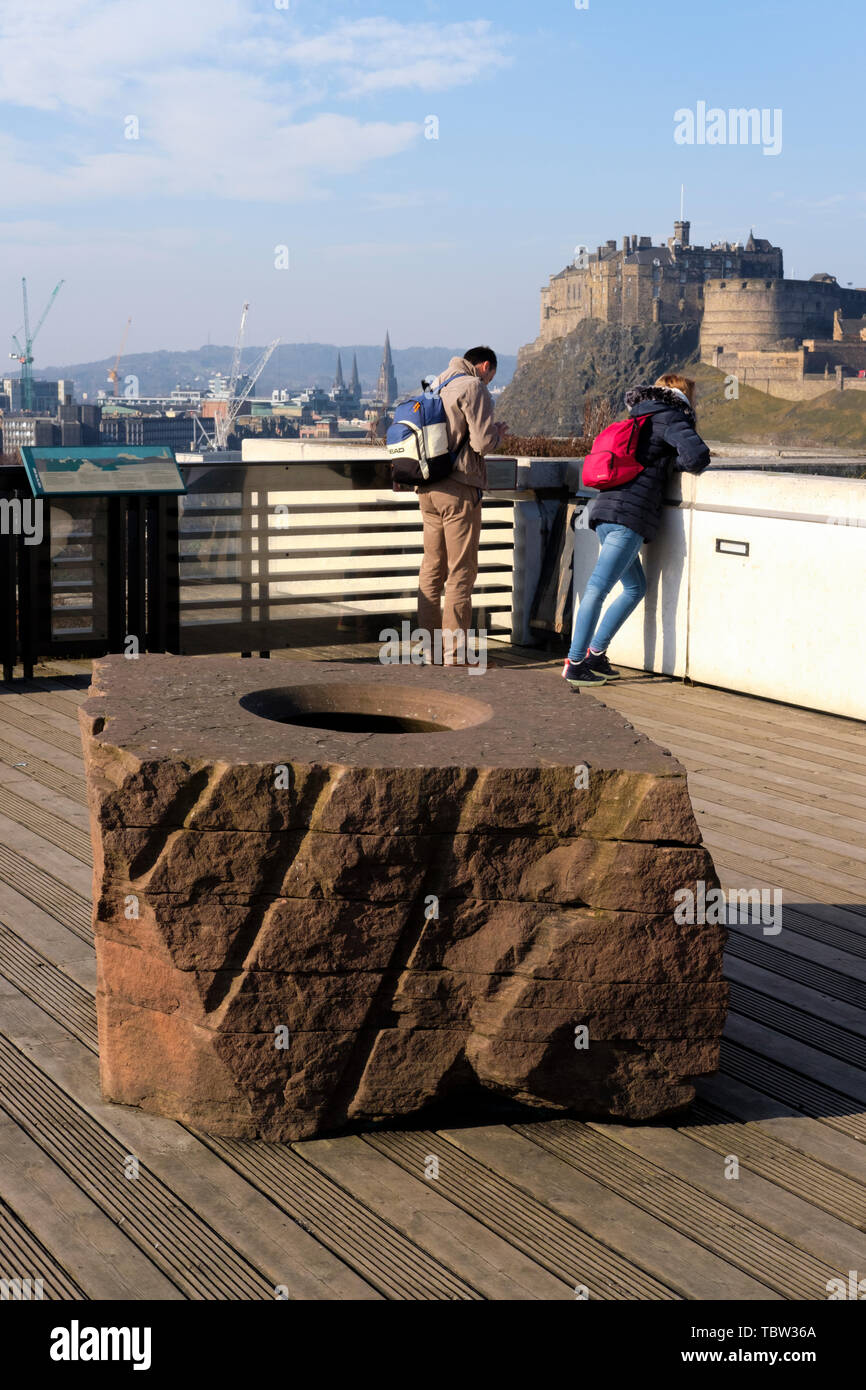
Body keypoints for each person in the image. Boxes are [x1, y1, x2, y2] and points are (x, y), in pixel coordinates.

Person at [563, 372, 711, 687]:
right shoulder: (671, 417)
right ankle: (575, 664)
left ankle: (595, 655)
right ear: (684, 396)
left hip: (604, 511)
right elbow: (698, 457)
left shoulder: (639, 416)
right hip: (628, 518)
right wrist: (676, 465)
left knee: (635, 588)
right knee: (597, 589)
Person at [417, 347, 508, 664]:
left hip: (427, 487)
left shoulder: (437, 382)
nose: (489, 380)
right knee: (460, 573)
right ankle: (455, 654)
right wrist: (497, 434)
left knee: (432, 570)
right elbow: (482, 443)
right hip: (458, 489)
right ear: (484, 367)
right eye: (492, 375)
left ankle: (428, 650)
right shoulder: (473, 386)